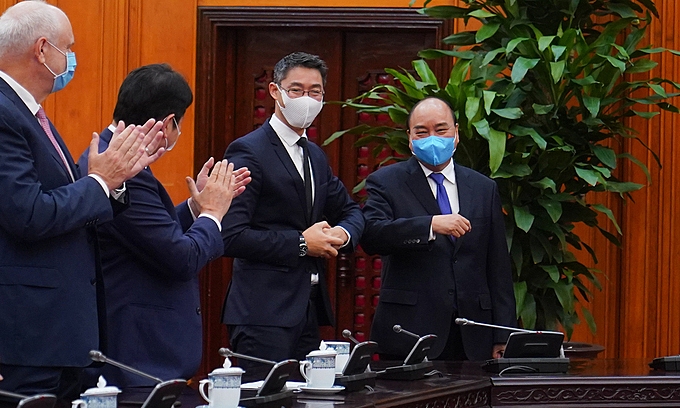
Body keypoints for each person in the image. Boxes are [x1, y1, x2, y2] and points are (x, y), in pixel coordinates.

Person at [0, 0, 165, 401]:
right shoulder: (5, 113)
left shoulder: (31, 113)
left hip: (59, 333)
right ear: (42, 50)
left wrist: (115, 181)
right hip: (28, 335)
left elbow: (70, 204)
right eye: (68, 48)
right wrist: (98, 181)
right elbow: (29, 214)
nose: (72, 59)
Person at [77, 64, 251, 388]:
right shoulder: (121, 170)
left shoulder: (110, 156)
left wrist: (194, 209)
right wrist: (213, 213)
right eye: (180, 125)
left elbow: (145, 234)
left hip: (140, 349)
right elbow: (180, 258)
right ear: (169, 122)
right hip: (137, 354)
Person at [221, 52, 364, 375]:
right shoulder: (248, 150)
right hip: (262, 314)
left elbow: (351, 211)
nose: (306, 99)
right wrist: (301, 243)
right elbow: (231, 236)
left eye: (315, 92)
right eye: (296, 90)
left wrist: (343, 234)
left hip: (308, 311)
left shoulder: (314, 155)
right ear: (275, 91)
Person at [362, 97, 516, 361]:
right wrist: (429, 225)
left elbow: (498, 266)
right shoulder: (386, 182)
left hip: (473, 333)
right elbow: (373, 236)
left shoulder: (483, 187)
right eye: (421, 132)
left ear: (456, 133)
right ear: (409, 138)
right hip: (411, 331)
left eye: (441, 130)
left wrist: (503, 334)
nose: (432, 138)